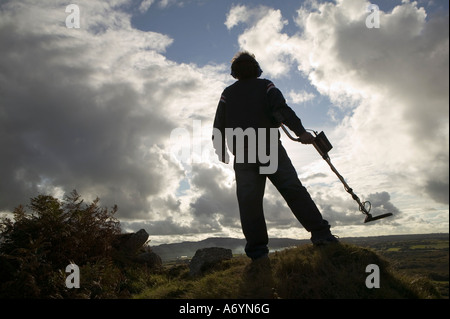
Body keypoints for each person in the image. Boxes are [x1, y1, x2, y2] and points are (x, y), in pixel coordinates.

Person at [212, 51, 338, 261]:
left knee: (249, 203)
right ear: (256, 68)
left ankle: (258, 254)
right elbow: (282, 110)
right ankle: (322, 236)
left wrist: (222, 151)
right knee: (293, 190)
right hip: (268, 147)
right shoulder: (266, 86)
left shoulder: (228, 93)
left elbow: (218, 126)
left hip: (243, 153)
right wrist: (301, 133)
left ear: (235, 72)